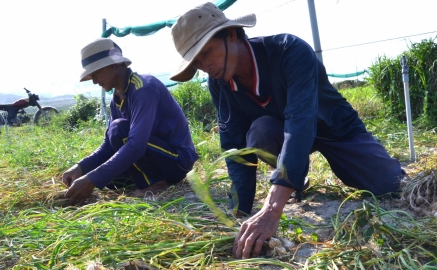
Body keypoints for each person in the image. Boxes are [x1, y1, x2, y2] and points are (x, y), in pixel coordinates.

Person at [169, 2, 406, 259]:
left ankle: (291, 178)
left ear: (231, 34)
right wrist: (238, 211)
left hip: (334, 129)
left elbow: (300, 122)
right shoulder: (221, 83)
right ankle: (296, 178)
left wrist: (272, 207)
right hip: (279, 135)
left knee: (391, 185)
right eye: (197, 62)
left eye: (206, 52)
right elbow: (234, 146)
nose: (205, 66)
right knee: (258, 133)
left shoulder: (289, 51)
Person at [62, 38, 198, 205]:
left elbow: (136, 145)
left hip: (178, 161)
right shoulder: (117, 98)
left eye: (95, 73)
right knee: (108, 180)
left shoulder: (144, 89)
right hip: (155, 158)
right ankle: (146, 179)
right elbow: (109, 146)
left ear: (112, 65)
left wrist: (91, 179)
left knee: (118, 130)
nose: (95, 81)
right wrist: (81, 168)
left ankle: (156, 183)